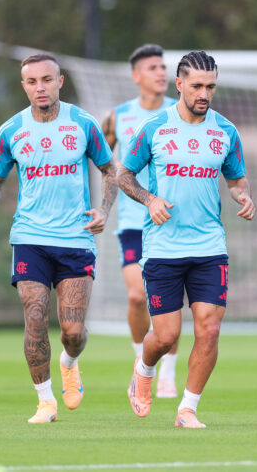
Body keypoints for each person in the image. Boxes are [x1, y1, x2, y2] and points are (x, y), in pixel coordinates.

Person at [0, 54, 117, 423]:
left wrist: (103, 210)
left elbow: (110, 170)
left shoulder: (83, 124)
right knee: (35, 316)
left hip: (76, 239)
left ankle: (69, 361)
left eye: (47, 79)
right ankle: (45, 402)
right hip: (30, 238)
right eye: (32, 81)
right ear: (24, 85)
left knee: (73, 331)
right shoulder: (12, 130)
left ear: (60, 82)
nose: (40, 87)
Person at [118, 51, 254, 428]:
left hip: (210, 247)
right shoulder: (154, 128)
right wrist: (150, 199)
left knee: (209, 328)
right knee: (166, 336)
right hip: (163, 247)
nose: (204, 93)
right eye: (196, 86)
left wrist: (243, 195)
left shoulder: (225, 131)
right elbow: (124, 176)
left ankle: (187, 409)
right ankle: (144, 370)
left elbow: (236, 179)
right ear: (179, 85)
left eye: (210, 86)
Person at [101, 44, 179, 398]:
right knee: (136, 296)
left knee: (169, 302)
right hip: (134, 221)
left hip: (170, 220)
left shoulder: (179, 112)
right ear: (136, 76)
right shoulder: (117, 117)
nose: (161, 73)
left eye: (163, 67)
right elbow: (104, 162)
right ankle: (141, 361)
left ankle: (168, 374)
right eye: (152, 68)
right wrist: (103, 207)